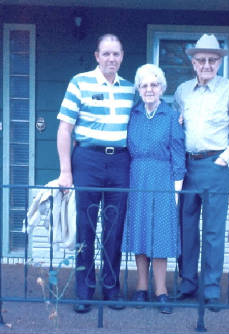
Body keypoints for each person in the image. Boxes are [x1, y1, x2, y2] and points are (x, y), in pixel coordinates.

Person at [56, 34, 135, 313]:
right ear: (97, 56)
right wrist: (66, 171)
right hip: (87, 160)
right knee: (86, 227)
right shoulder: (80, 82)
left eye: (116, 54)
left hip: (119, 163)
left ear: (122, 56)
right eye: (106, 54)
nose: (111, 59)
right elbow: (65, 128)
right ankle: (84, 291)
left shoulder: (130, 89)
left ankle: (111, 289)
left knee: (114, 229)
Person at [173, 34, 229, 311]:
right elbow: (175, 128)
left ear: (219, 62)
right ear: (193, 62)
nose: (207, 64)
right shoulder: (182, 91)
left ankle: (211, 288)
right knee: (186, 228)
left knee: (214, 231)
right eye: (201, 60)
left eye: (212, 60)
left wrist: (224, 159)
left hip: (215, 165)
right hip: (187, 167)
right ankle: (187, 283)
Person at [122, 64, 186, 314]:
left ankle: (161, 290)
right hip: (136, 178)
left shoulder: (171, 116)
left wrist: (177, 189)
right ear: (138, 89)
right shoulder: (133, 114)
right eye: (144, 85)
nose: (149, 89)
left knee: (160, 234)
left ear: (161, 88)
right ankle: (140, 288)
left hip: (162, 180)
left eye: (154, 84)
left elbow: (178, 152)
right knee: (139, 232)